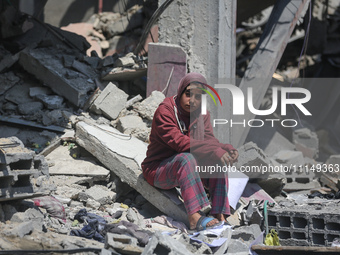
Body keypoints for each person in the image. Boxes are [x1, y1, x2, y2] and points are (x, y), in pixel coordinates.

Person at [141, 72, 239, 232]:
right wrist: (215, 149)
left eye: (198, 97)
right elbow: (180, 143)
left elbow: (209, 141)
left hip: (185, 171)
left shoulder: (202, 114)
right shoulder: (166, 111)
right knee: (186, 158)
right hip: (157, 170)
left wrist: (226, 148)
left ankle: (219, 214)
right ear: (180, 92)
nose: (192, 100)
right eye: (188, 94)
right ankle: (194, 218)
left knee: (217, 161)